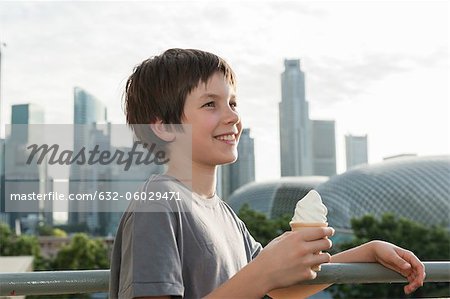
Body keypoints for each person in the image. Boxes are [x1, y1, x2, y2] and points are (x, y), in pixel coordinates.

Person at [109, 48, 425, 299]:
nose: (233, 116)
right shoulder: (157, 205)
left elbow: (279, 288)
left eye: (232, 102)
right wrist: (263, 271)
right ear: (163, 127)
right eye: (210, 104)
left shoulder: (223, 214)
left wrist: (366, 252)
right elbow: (262, 277)